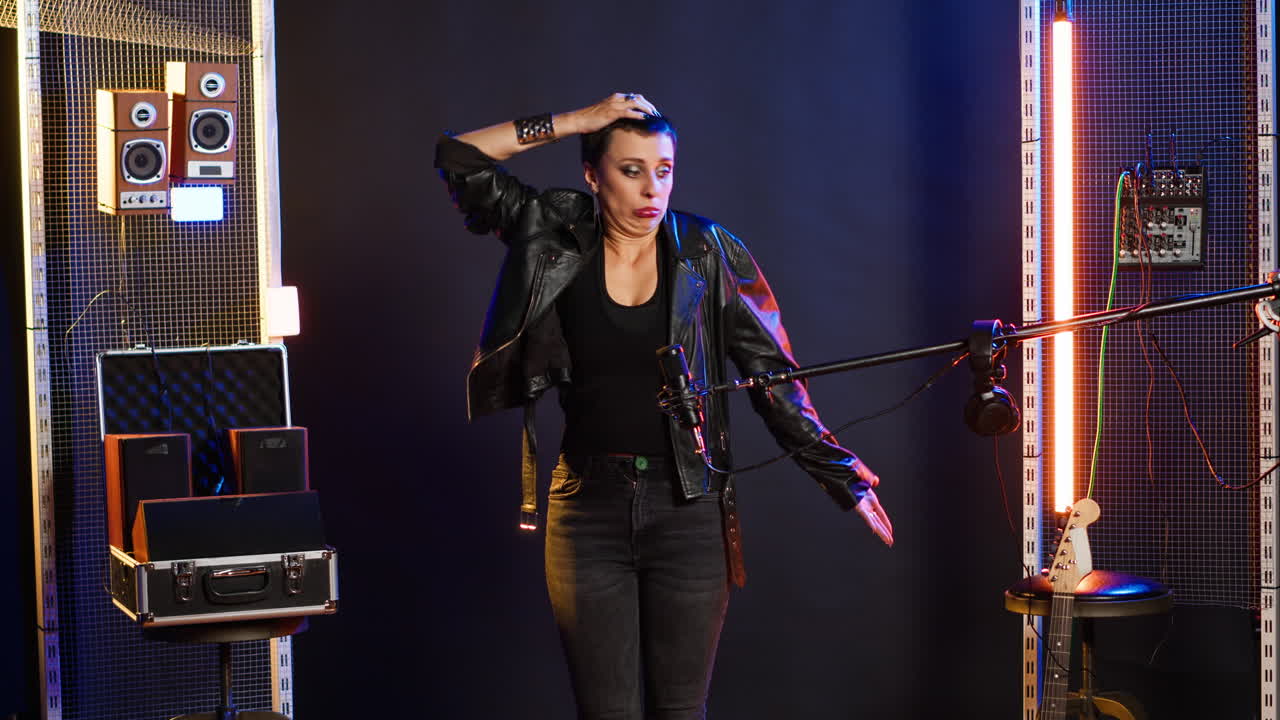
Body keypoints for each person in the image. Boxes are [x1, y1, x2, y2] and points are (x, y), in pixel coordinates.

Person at [435, 92, 893, 720]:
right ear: (592, 175)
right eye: (631, 170)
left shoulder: (708, 251)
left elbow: (772, 377)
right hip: (585, 511)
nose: (653, 188)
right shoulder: (553, 231)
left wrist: (839, 473)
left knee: (680, 711)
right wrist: (577, 121)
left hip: (690, 511)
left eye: (664, 170)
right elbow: (459, 157)